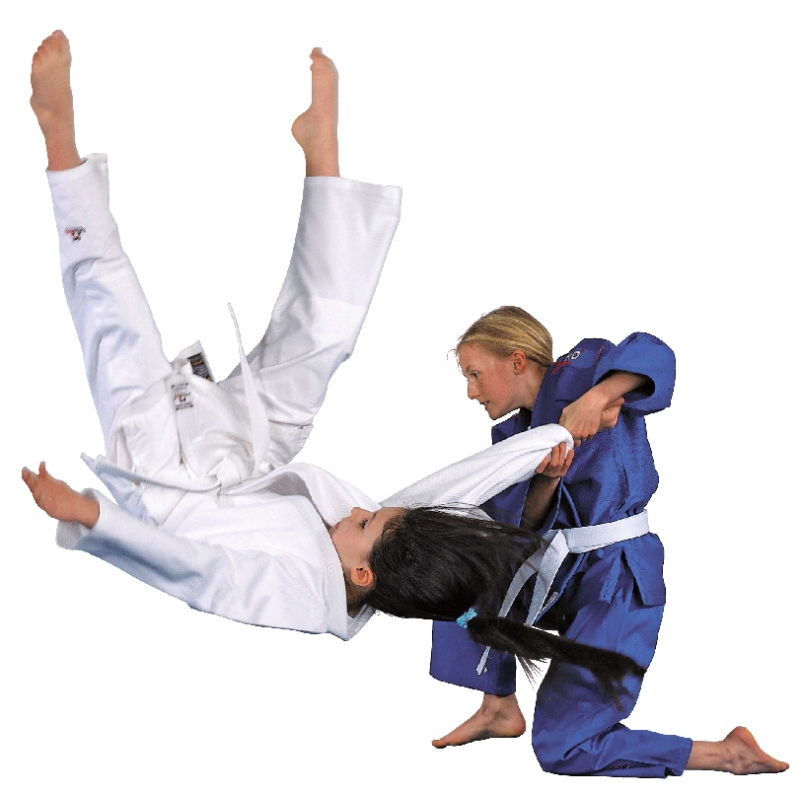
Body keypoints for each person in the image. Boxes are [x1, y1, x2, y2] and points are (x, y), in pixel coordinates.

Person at [22, 32, 645, 691]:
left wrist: (93, 518)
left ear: (360, 574)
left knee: (115, 318)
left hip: (163, 487)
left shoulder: (295, 595)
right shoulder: (384, 553)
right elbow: (453, 488)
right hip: (248, 462)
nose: (354, 511)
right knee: (319, 344)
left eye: (364, 522)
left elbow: (196, 572)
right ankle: (323, 158)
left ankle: (60, 144)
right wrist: (550, 438)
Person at [426, 305, 788, 776]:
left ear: (516, 360)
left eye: (474, 374)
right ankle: (498, 704)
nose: (471, 392)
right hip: (563, 574)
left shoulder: (583, 372)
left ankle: (725, 754)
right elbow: (522, 524)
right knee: (456, 570)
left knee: (562, 747)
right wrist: (547, 481)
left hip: (618, 581)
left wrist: (600, 395)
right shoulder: (514, 436)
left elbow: (655, 355)